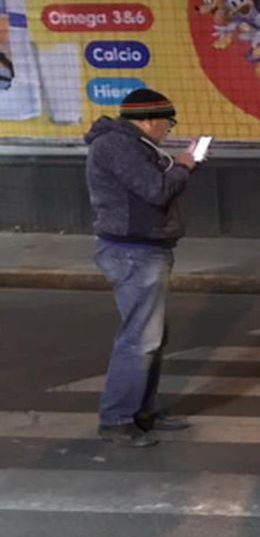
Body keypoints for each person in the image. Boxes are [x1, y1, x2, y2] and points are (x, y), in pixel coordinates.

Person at [84, 88, 198, 447]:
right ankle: (117, 420)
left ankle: (141, 412)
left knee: (151, 337)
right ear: (149, 120)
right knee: (139, 340)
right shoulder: (117, 146)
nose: (168, 129)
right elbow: (156, 191)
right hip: (133, 252)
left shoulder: (131, 144)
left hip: (143, 249)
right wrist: (184, 165)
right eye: (167, 122)